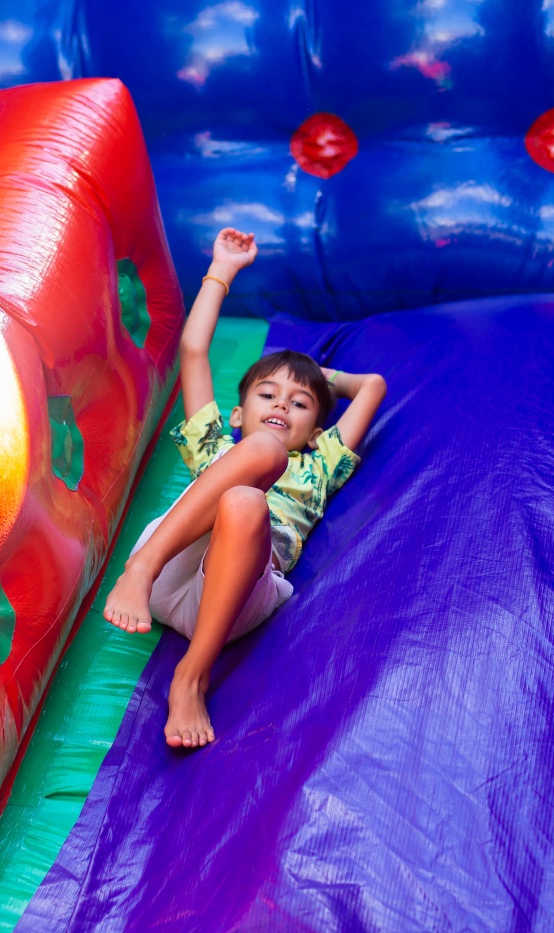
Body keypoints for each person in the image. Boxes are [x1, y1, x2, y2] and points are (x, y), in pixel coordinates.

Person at [104, 227, 387, 749]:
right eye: (267, 394)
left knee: (245, 497)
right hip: (169, 570)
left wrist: (309, 372)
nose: (281, 405)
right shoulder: (216, 443)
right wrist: (222, 270)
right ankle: (140, 566)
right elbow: (193, 351)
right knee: (259, 455)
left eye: (299, 403)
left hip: (233, 600)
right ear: (237, 413)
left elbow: (371, 386)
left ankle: (192, 676)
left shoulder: (319, 464)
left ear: (317, 431)